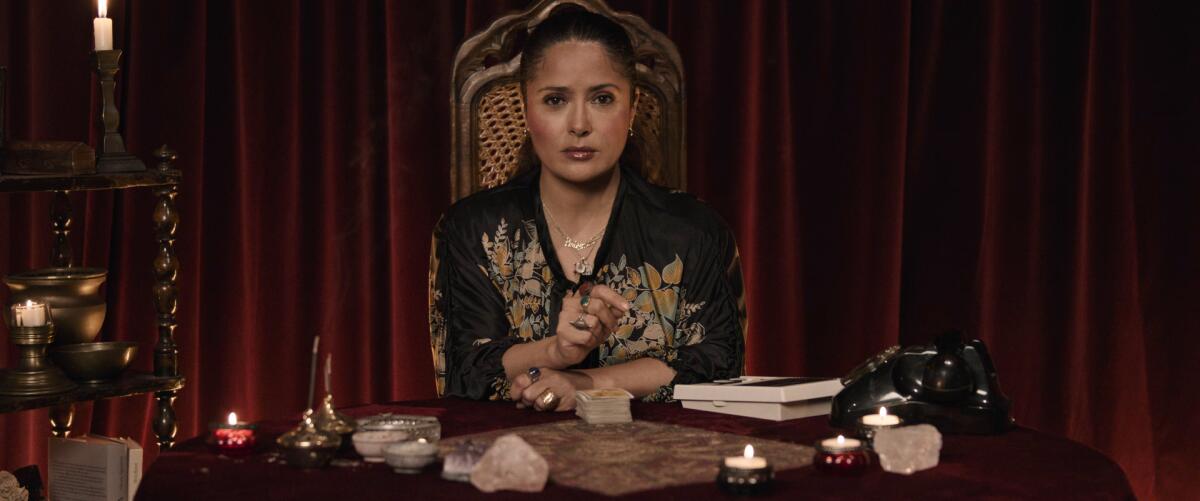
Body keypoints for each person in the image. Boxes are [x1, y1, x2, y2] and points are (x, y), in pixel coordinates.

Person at [429, 7, 745, 412]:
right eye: (556, 100)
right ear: (527, 111)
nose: (579, 124)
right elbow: (467, 370)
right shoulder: (475, 229)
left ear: (631, 110)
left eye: (602, 99)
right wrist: (558, 352)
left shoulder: (692, 231)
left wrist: (584, 382)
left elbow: (719, 365)